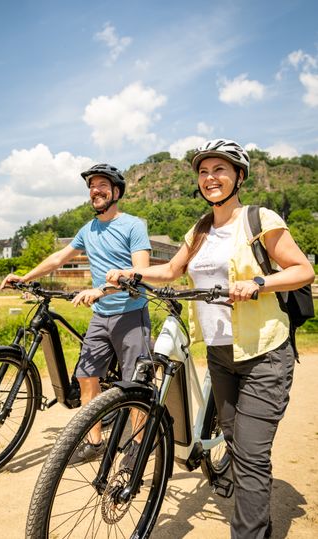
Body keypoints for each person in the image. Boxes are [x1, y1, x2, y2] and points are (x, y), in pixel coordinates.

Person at [106, 139, 315, 539]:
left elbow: (303, 270)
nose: (210, 178)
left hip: (265, 353)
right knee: (237, 446)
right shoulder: (200, 228)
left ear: (239, 176)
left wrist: (259, 282)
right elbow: (170, 270)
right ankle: (260, 526)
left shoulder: (259, 219)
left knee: (251, 457)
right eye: (203, 172)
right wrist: (132, 273)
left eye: (220, 169)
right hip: (220, 354)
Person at [1, 163, 151, 463]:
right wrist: (26, 277)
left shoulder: (134, 225)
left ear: (116, 191)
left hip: (131, 314)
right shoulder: (89, 229)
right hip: (101, 316)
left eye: (102, 185)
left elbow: (142, 272)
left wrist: (103, 290)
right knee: (86, 377)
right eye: (92, 186)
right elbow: (59, 257)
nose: (95, 190)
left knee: (136, 384)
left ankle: (137, 446)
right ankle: (95, 443)